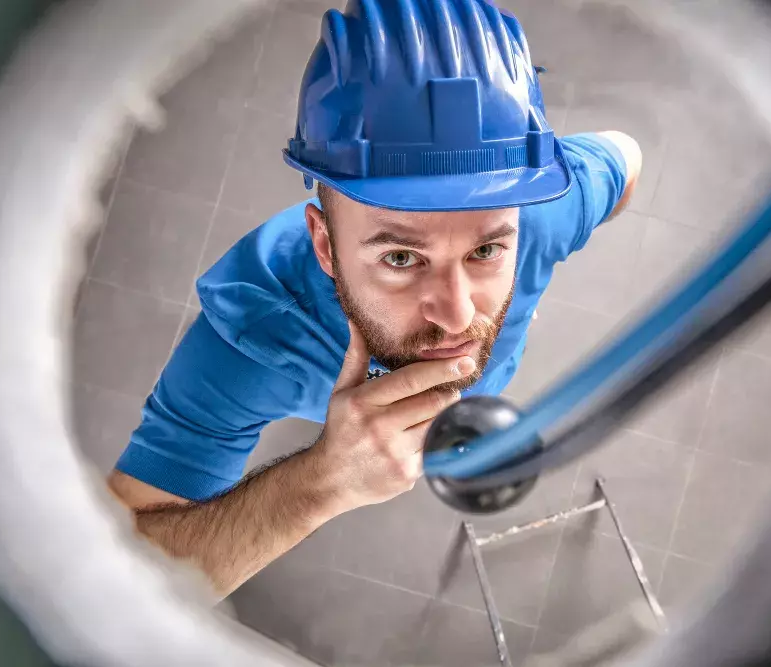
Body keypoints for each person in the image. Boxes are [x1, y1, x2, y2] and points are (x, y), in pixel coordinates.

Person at [107, 0, 641, 597]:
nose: (460, 316)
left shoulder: (543, 214)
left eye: (485, 251)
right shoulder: (252, 342)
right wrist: (319, 482)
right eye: (401, 258)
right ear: (325, 246)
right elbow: (117, 575)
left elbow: (625, 154)